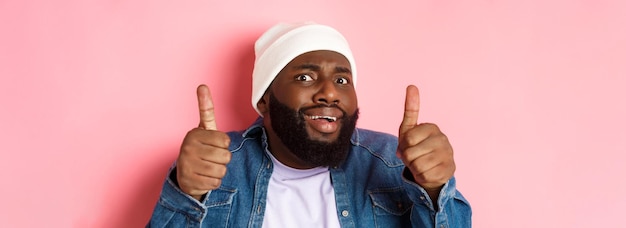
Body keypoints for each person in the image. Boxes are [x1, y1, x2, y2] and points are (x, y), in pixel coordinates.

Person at [148, 22, 471, 228]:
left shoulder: (394, 160)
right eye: (305, 77)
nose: (330, 93)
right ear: (264, 100)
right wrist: (185, 192)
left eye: (342, 79)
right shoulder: (213, 163)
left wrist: (434, 190)